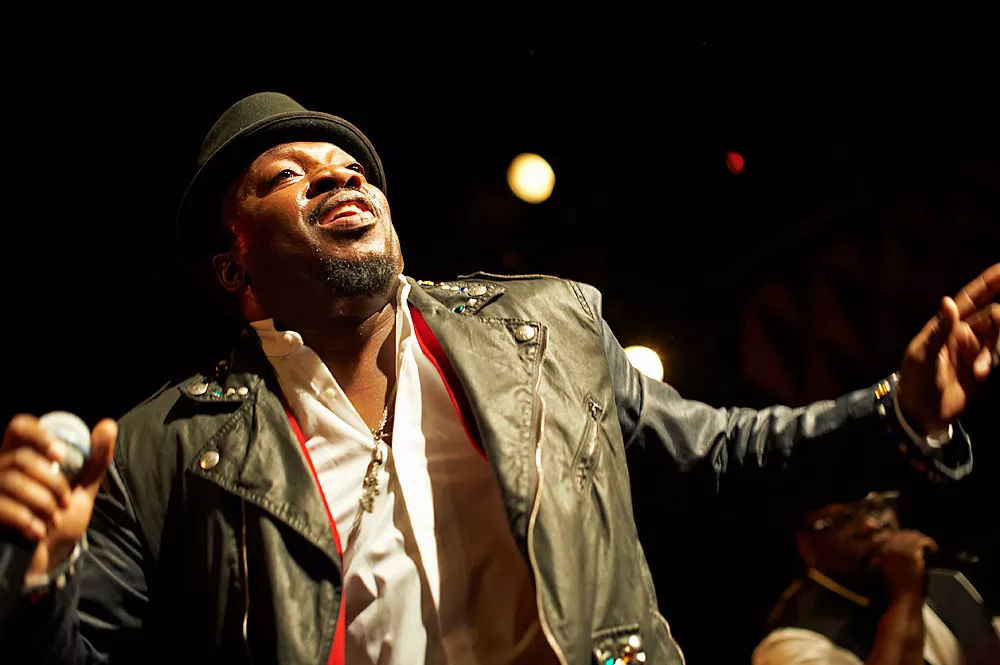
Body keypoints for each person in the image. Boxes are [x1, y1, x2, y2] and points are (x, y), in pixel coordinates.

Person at [0, 92, 996, 665]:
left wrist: (900, 407)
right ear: (235, 266)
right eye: (287, 176)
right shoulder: (160, 450)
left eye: (351, 166)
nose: (339, 174)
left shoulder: (546, 330)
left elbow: (727, 451)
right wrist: (34, 580)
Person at [752, 490, 1000, 665]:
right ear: (807, 546)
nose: (870, 525)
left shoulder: (943, 582)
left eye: (876, 508)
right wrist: (905, 596)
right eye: (844, 519)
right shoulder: (790, 644)